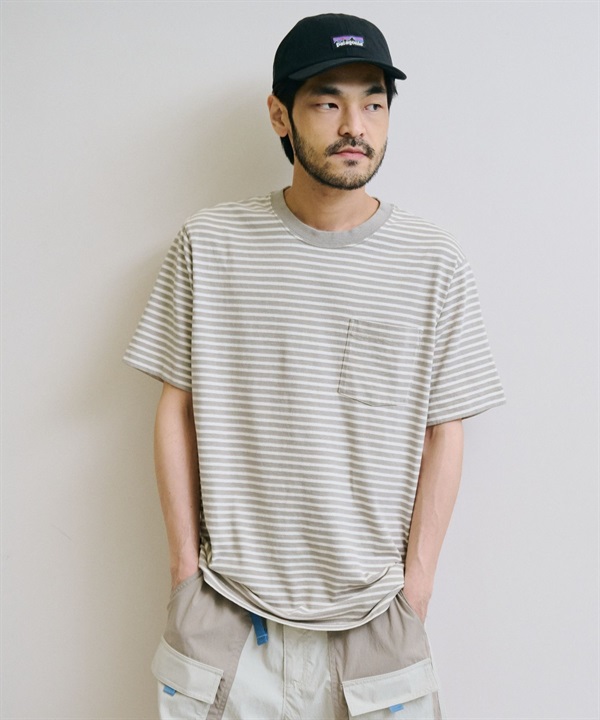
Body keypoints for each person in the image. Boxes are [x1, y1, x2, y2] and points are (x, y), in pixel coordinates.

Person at [124, 12, 505, 720]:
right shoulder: (210, 244)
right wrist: (183, 572)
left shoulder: (433, 261)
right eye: (328, 102)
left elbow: (443, 430)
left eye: (374, 103)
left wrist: (417, 587)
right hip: (227, 612)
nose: (355, 126)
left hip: (377, 622)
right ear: (280, 114)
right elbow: (176, 406)